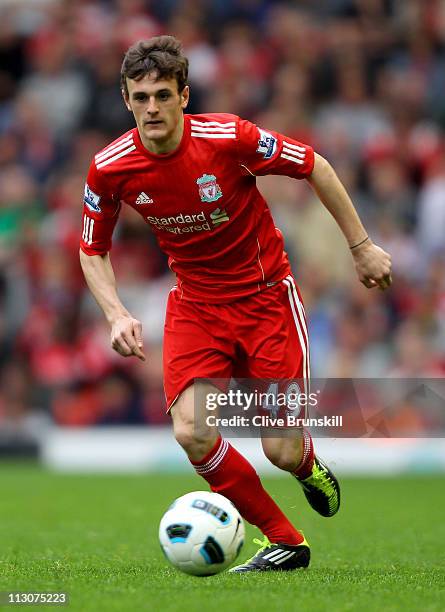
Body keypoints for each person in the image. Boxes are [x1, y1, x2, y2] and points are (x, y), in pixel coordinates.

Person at [79, 35, 392, 572]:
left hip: (267, 300)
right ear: (126, 100)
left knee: (282, 452)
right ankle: (286, 541)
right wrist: (116, 312)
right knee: (192, 431)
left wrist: (361, 247)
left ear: (183, 95)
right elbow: (91, 248)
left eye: (161, 94)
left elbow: (313, 164)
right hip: (196, 307)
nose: (150, 107)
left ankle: (307, 463)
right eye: (139, 97)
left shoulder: (229, 138)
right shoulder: (109, 168)